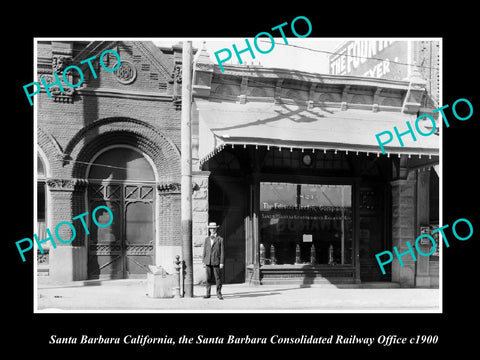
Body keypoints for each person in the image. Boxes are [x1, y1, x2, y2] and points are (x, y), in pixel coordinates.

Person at [202, 222, 224, 300]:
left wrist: (221, 262)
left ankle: (219, 293)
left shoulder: (220, 239)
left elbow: (222, 252)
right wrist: (203, 261)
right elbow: (204, 251)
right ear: (209, 229)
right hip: (208, 261)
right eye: (211, 228)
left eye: (214, 228)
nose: (212, 230)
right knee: (208, 278)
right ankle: (208, 294)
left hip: (216, 261)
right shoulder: (207, 239)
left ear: (216, 229)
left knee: (218, 278)